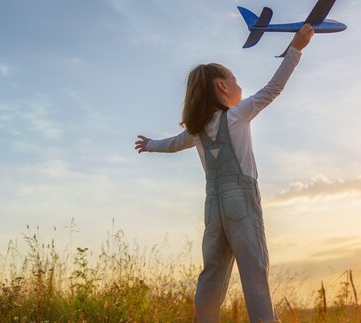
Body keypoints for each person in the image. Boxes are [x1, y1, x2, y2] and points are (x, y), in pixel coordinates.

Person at [135, 23, 314, 323]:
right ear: (222, 87)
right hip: (241, 206)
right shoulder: (237, 115)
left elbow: (172, 144)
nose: (237, 82)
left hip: (213, 209)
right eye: (234, 78)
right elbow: (274, 88)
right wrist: (296, 49)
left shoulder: (196, 131)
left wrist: (150, 145)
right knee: (254, 272)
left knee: (213, 272)